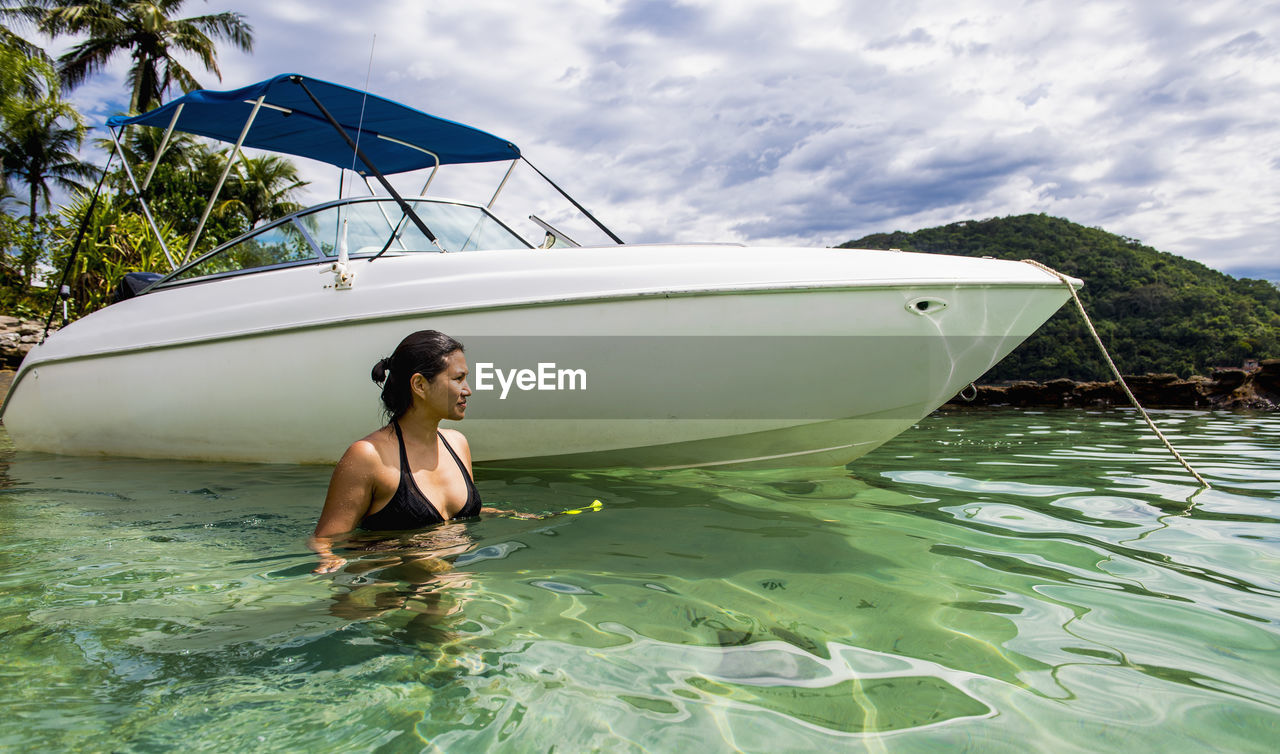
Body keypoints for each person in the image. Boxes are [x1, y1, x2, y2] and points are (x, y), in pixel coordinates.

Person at [311, 330, 494, 573]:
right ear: (419, 385)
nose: (467, 390)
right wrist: (328, 560)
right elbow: (324, 540)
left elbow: (454, 516)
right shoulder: (368, 456)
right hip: (386, 592)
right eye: (458, 379)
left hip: (447, 581)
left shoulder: (458, 444)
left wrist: (512, 515)